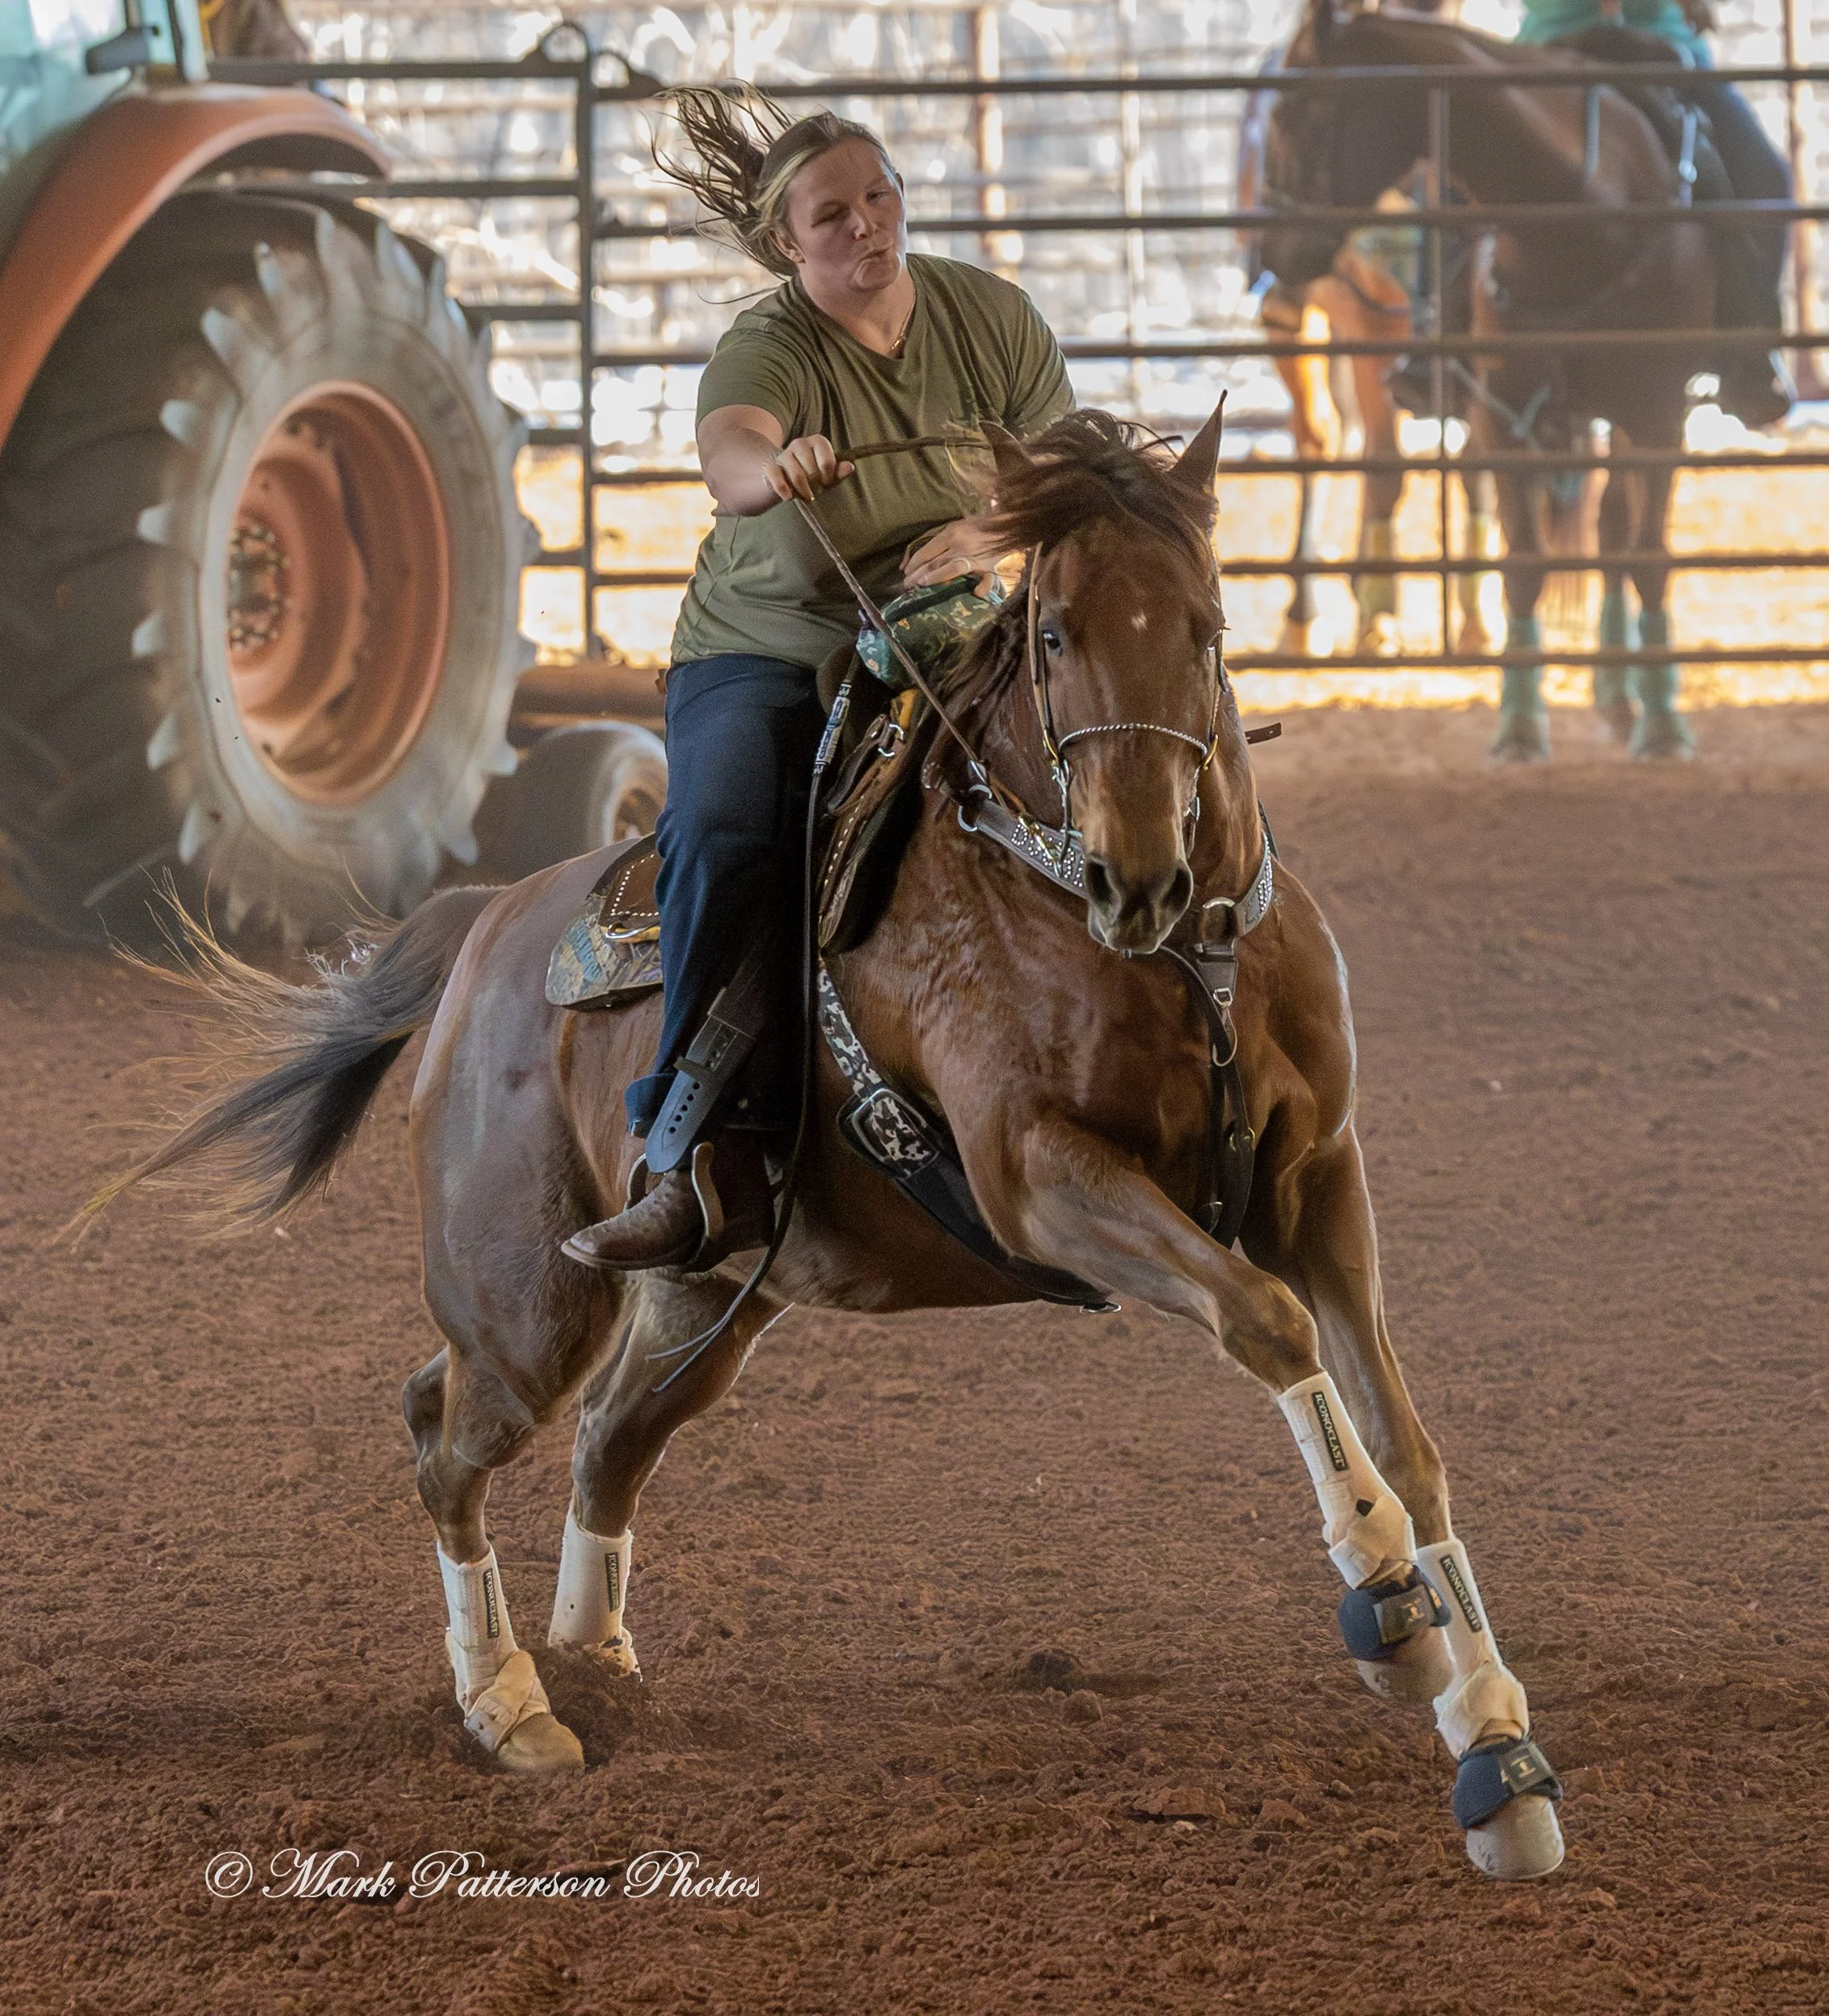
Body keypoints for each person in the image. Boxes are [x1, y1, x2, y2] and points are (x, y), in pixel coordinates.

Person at [563, 86, 1073, 1275]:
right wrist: (774, 458)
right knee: (732, 830)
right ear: (787, 246)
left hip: (959, 633)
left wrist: (996, 538)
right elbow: (729, 451)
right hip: (770, 647)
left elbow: (1063, 466)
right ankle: (684, 1148)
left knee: (1101, 751)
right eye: (831, 216)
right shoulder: (768, 345)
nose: (866, 226)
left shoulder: (986, 316)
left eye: (879, 195)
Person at [1515, 0, 1795, 426]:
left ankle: (1749, 354)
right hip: (1551, 49)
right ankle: (1438, 342)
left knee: (1767, 179)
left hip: (1664, 55)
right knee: (1452, 165)